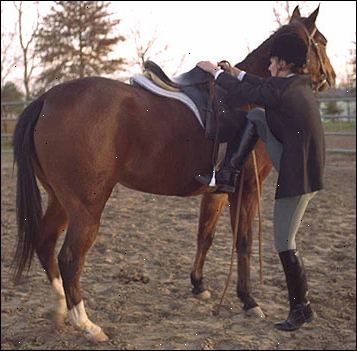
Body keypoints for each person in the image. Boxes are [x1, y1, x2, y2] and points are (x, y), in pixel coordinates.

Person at [195, 32, 325, 331]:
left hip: (298, 178)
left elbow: (244, 93)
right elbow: (260, 86)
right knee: (257, 117)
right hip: (297, 163)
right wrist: (235, 71)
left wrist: (214, 72)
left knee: (284, 243)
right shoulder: (294, 84)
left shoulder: (283, 92)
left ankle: (301, 308)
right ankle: (227, 174)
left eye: (272, 61)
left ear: (282, 63)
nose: (268, 65)